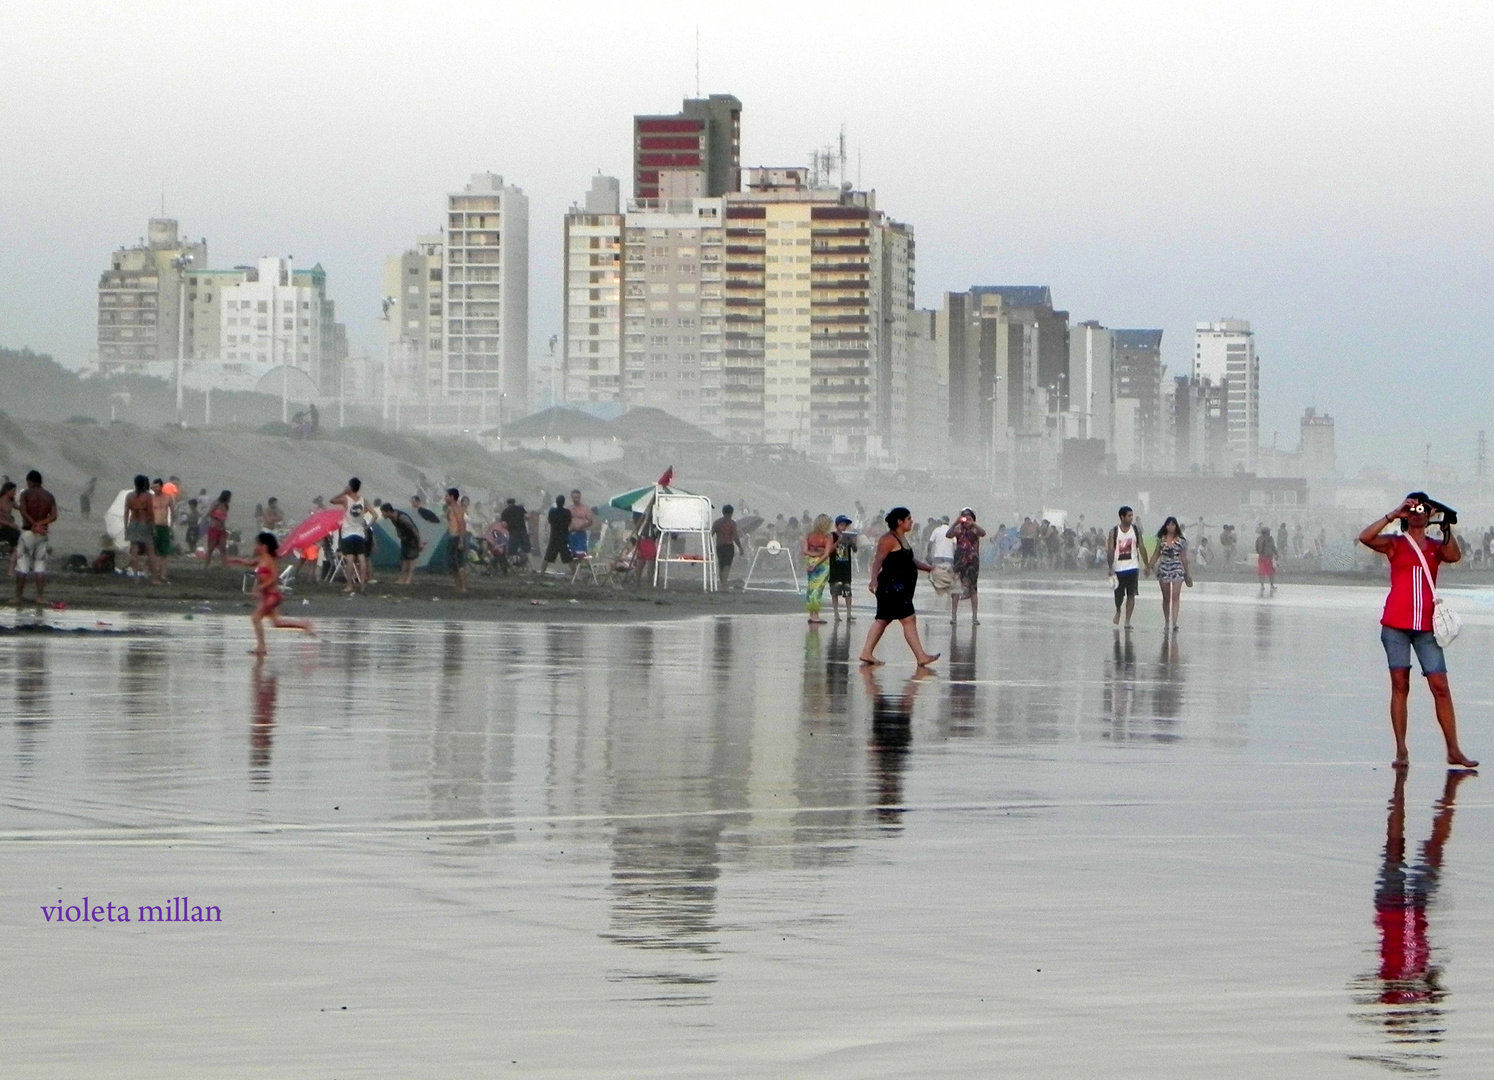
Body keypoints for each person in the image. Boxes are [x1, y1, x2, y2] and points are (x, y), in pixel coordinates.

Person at [1358, 494, 1477, 769]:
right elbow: (1365, 537)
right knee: (1400, 686)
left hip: (1426, 628)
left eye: (1422, 509)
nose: (1417, 513)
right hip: (1396, 625)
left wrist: (1445, 525)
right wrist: (1394, 514)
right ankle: (1401, 750)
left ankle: (1453, 750)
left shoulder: (1436, 547)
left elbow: (1454, 555)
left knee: (1441, 687)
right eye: (1412, 509)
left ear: (1429, 514)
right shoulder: (1395, 545)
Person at [858, 507, 940, 667]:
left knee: (883, 619)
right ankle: (921, 656)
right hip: (892, 587)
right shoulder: (888, 539)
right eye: (908, 519)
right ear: (899, 522)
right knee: (908, 619)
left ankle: (866, 652)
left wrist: (930, 568)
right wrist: (873, 580)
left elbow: (910, 561)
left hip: (900, 587)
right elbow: (878, 561)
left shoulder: (901, 538)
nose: (912, 521)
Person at [229, 532, 314, 656]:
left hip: (272, 596)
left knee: (255, 618)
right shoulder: (261, 559)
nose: (254, 547)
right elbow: (250, 562)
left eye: (256, 544)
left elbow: (274, 578)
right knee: (277, 623)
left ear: (264, 547)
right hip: (267, 596)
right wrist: (236, 560)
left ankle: (261, 647)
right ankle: (304, 624)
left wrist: (260, 588)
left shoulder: (269, 560)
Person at [14, 470, 57, 605]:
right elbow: (54, 516)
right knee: (40, 565)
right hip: (42, 534)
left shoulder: (26, 494)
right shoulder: (49, 496)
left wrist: (34, 524)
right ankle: (39, 596)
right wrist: (41, 524)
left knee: (22, 565)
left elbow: (23, 511)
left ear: (30, 481)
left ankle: (18, 596)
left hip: (28, 532)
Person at [1147, 516, 1193, 631]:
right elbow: (1156, 554)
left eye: (1172, 525)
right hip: (1164, 569)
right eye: (1168, 525)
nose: (1170, 527)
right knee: (1166, 597)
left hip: (1177, 569)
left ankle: (1174, 622)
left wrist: (1187, 573)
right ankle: (1167, 621)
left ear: (1176, 526)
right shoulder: (1161, 540)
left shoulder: (1181, 541)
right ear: (1166, 526)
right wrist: (1149, 566)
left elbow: (1184, 557)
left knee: (1175, 596)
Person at [947, 507, 986, 626]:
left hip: (972, 561)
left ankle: (975, 617)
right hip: (959, 560)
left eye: (968, 517)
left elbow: (983, 533)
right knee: (956, 588)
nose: (966, 520)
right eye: (964, 517)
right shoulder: (958, 528)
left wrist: (973, 523)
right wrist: (955, 522)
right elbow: (948, 535)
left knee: (973, 589)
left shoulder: (975, 529)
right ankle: (954, 616)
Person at [1106, 505, 1143, 627]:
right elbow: (1110, 550)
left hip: (1133, 567)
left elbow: (1141, 547)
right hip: (1119, 568)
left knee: (1131, 594)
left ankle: (1127, 621)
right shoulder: (1114, 532)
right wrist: (1110, 567)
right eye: (1129, 516)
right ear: (1122, 517)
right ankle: (1118, 610)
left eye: (1132, 515)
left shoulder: (1135, 530)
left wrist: (1147, 565)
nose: (1131, 518)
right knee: (1119, 595)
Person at [331, 478, 368, 593]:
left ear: (350, 487)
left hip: (348, 533)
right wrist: (366, 526)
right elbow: (372, 513)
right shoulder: (363, 500)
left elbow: (332, 500)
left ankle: (349, 585)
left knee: (350, 560)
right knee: (362, 559)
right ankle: (362, 586)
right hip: (359, 533)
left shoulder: (345, 499)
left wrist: (343, 492)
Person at [802, 514, 834, 624]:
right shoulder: (827, 537)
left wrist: (813, 556)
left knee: (811, 587)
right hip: (822, 565)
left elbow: (805, 551)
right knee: (818, 589)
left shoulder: (809, 536)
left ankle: (812, 614)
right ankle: (815, 615)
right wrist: (818, 559)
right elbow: (826, 554)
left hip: (810, 562)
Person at [382, 502, 423, 585]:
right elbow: (397, 526)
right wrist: (399, 533)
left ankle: (409, 578)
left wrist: (419, 542)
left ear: (388, 511)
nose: (382, 515)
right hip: (405, 538)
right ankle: (402, 577)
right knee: (404, 558)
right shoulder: (392, 517)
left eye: (383, 513)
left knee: (412, 558)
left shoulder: (402, 517)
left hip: (412, 538)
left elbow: (413, 529)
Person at [829, 515, 858, 621]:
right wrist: (838, 542)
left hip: (846, 566)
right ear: (837, 526)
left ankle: (849, 614)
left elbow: (855, 550)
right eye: (841, 525)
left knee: (848, 590)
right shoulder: (832, 536)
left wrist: (853, 543)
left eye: (845, 525)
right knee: (835, 590)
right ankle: (836, 614)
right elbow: (829, 550)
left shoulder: (848, 536)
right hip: (835, 567)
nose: (843, 527)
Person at [124, 474, 153, 578]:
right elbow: (150, 512)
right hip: (144, 523)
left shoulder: (129, 496)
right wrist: (152, 525)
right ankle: (146, 571)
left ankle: (135, 575)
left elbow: (126, 512)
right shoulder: (148, 496)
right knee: (149, 549)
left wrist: (126, 525)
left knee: (134, 550)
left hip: (132, 523)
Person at [712, 504, 745, 586]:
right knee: (727, 565)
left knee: (721, 564)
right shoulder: (732, 523)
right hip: (729, 546)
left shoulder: (717, 522)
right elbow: (735, 537)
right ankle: (724, 582)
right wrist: (740, 548)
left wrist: (709, 546)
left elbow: (711, 534)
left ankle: (722, 581)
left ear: (723, 512)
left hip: (719, 546)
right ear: (731, 513)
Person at [150, 477, 174, 584]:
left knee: (164, 552)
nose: (155, 488)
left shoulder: (168, 497)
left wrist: (171, 526)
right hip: (154, 526)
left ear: (161, 486)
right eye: (153, 487)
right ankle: (154, 572)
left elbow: (173, 512)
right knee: (153, 551)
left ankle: (163, 574)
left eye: (156, 486)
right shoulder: (151, 498)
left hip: (164, 526)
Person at [444, 487, 468, 593]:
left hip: (457, 537)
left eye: (447, 496)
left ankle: (462, 587)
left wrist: (461, 540)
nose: (445, 498)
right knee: (453, 563)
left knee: (459, 562)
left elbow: (462, 524)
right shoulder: (451, 508)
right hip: (452, 536)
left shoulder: (456, 508)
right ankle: (458, 586)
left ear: (452, 497)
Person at [542, 494, 573, 573]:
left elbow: (549, 521)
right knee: (568, 557)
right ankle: (575, 573)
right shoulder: (567, 512)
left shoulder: (552, 511)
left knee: (547, 557)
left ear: (556, 502)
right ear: (564, 502)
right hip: (563, 537)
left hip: (554, 536)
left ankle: (542, 572)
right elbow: (569, 522)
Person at [204, 490, 232, 567]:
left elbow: (224, 518)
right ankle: (206, 566)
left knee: (223, 548)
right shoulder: (216, 504)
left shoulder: (225, 506)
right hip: (214, 528)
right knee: (210, 549)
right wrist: (218, 518)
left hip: (221, 529)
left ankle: (225, 566)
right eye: (229, 497)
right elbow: (208, 513)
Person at [499, 498, 530, 567]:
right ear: (514, 502)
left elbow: (504, 524)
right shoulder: (520, 508)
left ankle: (515, 562)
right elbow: (527, 517)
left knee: (513, 549)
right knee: (527, 549)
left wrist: (508, 526)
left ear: (507, 503)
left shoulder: (505, 511)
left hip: (513, 532)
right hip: (523, 531)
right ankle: (531, 566)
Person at [567, 490, 594, 560]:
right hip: (571, 533)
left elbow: (590, 521)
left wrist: (582, 525)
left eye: (576, 497)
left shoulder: (585, 508)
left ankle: (581, 569)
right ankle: (574, 570)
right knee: (570, 554)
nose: (575, 499)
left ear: (580, 497)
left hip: (581, 534)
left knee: (580, 554)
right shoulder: (569, 508)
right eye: (573, 497)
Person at [0, 481, 19, 573]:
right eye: (13, 490)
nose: (15, 493)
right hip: (1, 527)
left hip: (8, 528)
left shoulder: (11, 501)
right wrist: (10, 524)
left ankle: (11, 566)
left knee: (19, 540)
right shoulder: (0, 501)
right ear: (7, 491)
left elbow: (20, 508)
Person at [1256, 524, 1278, 594]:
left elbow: (1257, 548)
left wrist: (1260, 553)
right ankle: (1271, 585)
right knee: (1270, 572)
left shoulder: (1259, 539)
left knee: (1262, 571)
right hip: (1268, 557)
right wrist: (1276, 554)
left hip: (1262, 557)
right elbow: (1273, 547)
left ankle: (1262, 585)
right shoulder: (1270, 539)